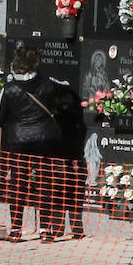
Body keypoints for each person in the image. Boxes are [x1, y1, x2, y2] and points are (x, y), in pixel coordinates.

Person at [0, 45, 61, 242]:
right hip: (44, 141)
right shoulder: (48, 85)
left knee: (18, 185)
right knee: (45, 184)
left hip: (18, 143)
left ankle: (15, 230)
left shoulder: (9, 89)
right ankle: (46, 230)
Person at [52, 80, 86, 240]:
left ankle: (59, 229)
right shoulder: (77, 116)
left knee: (61, 194)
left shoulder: (58, 116)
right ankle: (75, 229)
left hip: (64, 160)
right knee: (73, 197)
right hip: (74, 159)